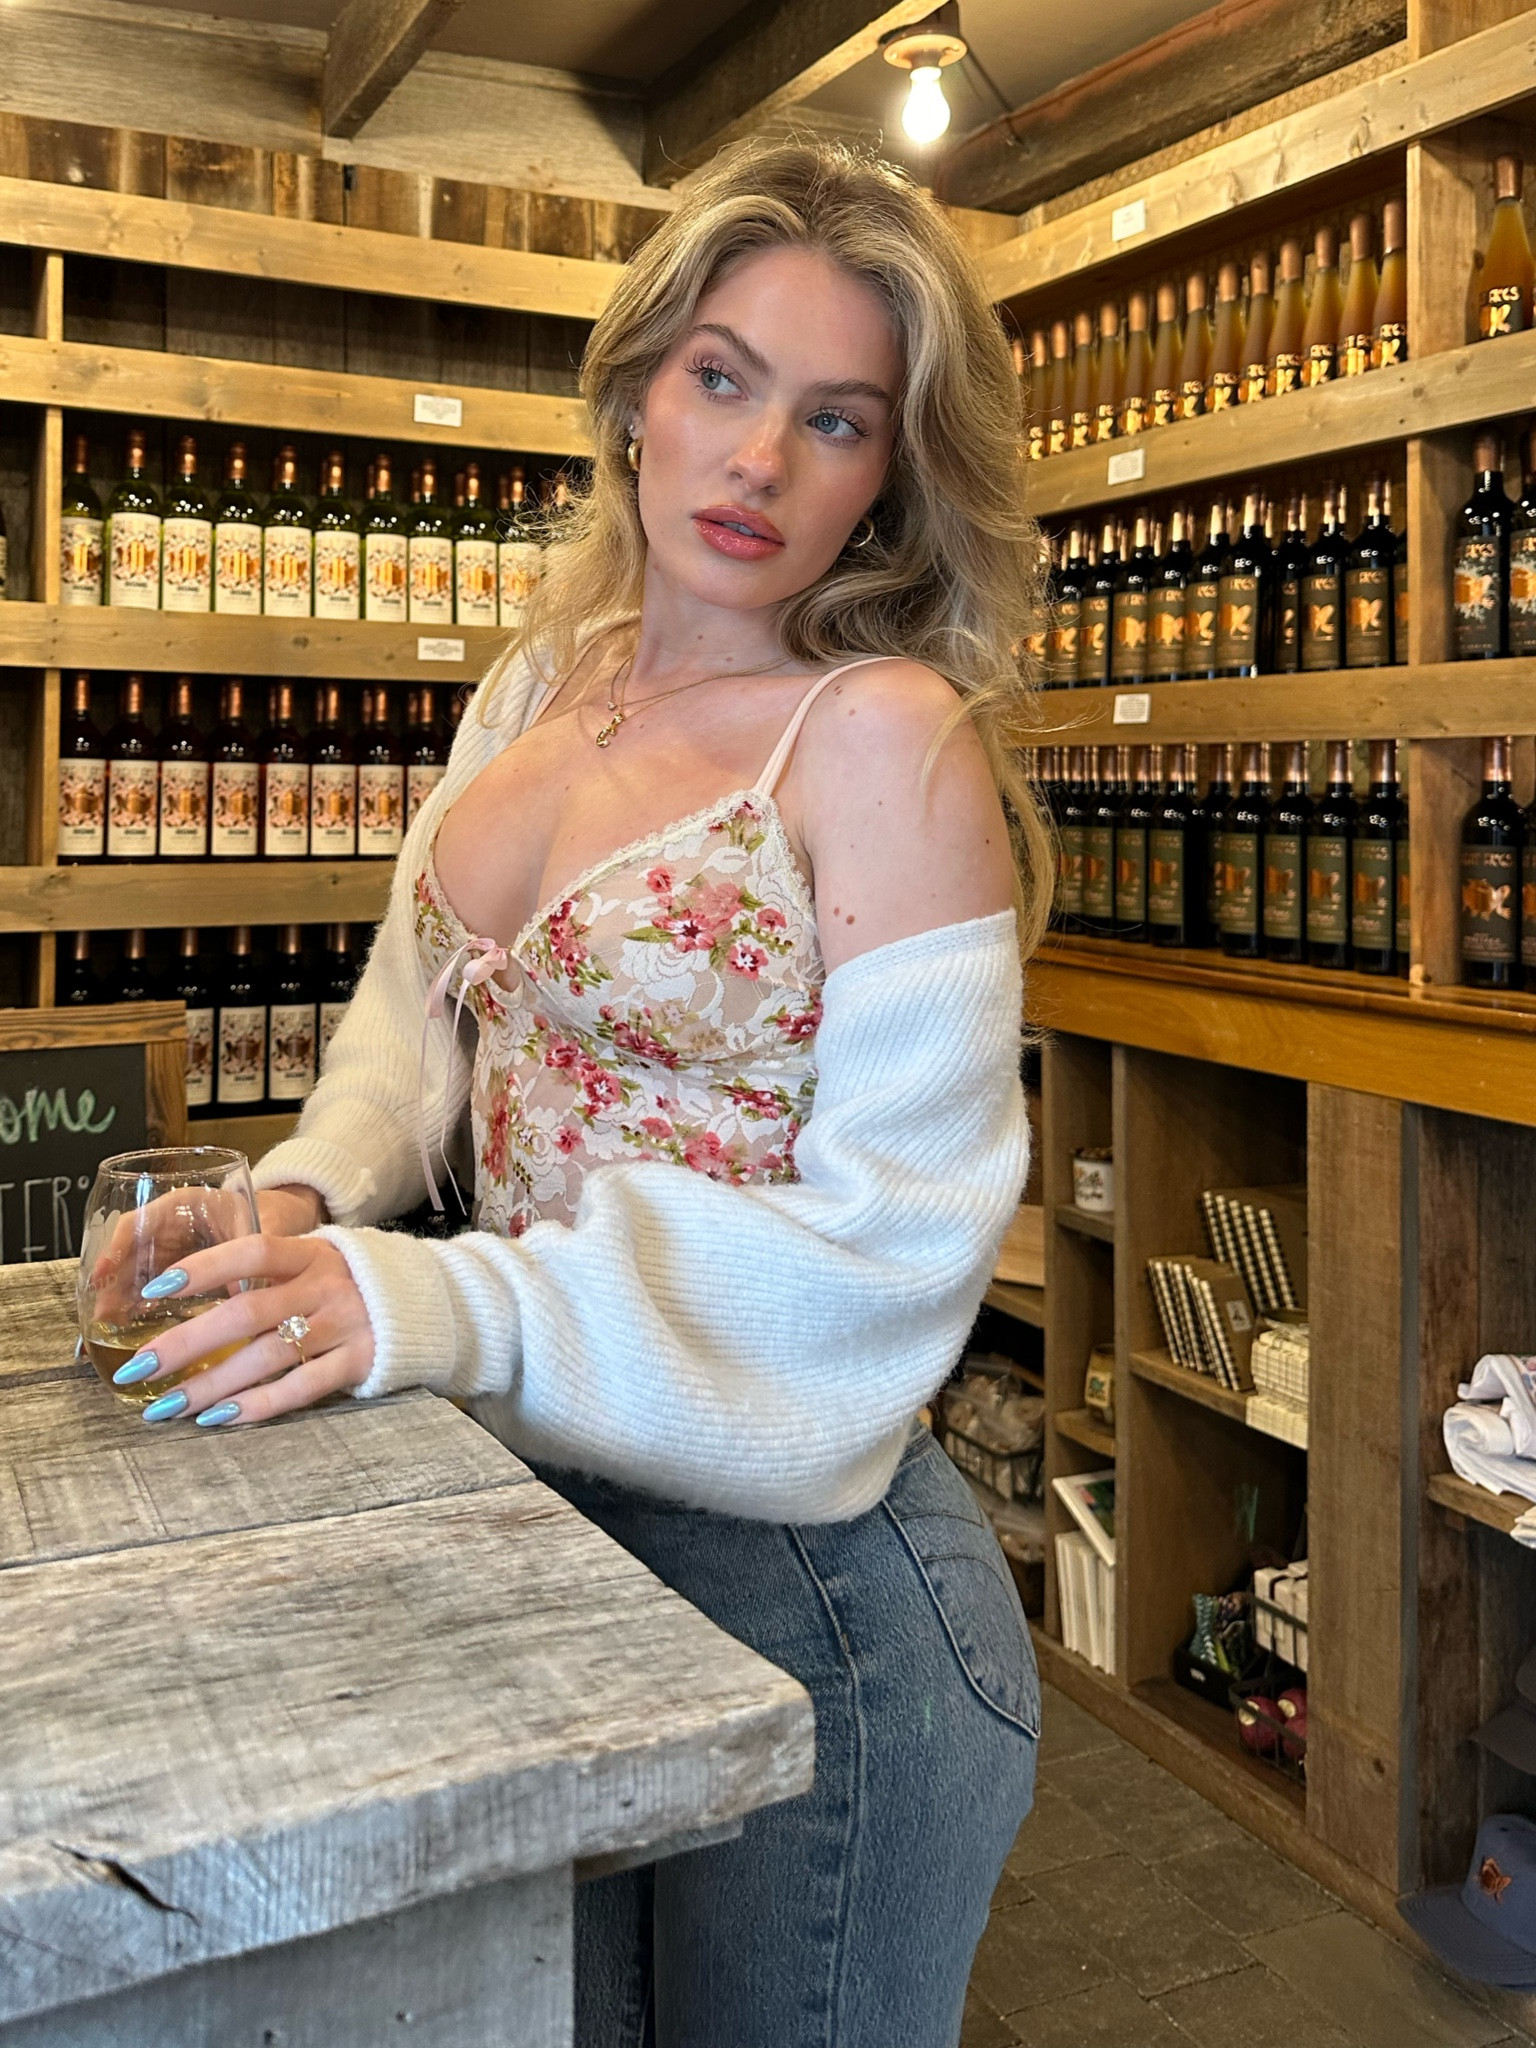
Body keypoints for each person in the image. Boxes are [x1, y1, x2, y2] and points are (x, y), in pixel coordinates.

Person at [116, 142, 1050, 2046]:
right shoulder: (542, 684)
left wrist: (445, 1300)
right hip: (540, 1528)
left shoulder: (882, 738)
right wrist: (297, 1205)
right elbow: (416, 1030)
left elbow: (893, 1259)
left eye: (836, 418)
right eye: (722, 377)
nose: (758, 461)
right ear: (635, 392)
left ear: (890, 473)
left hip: (815, 1598)